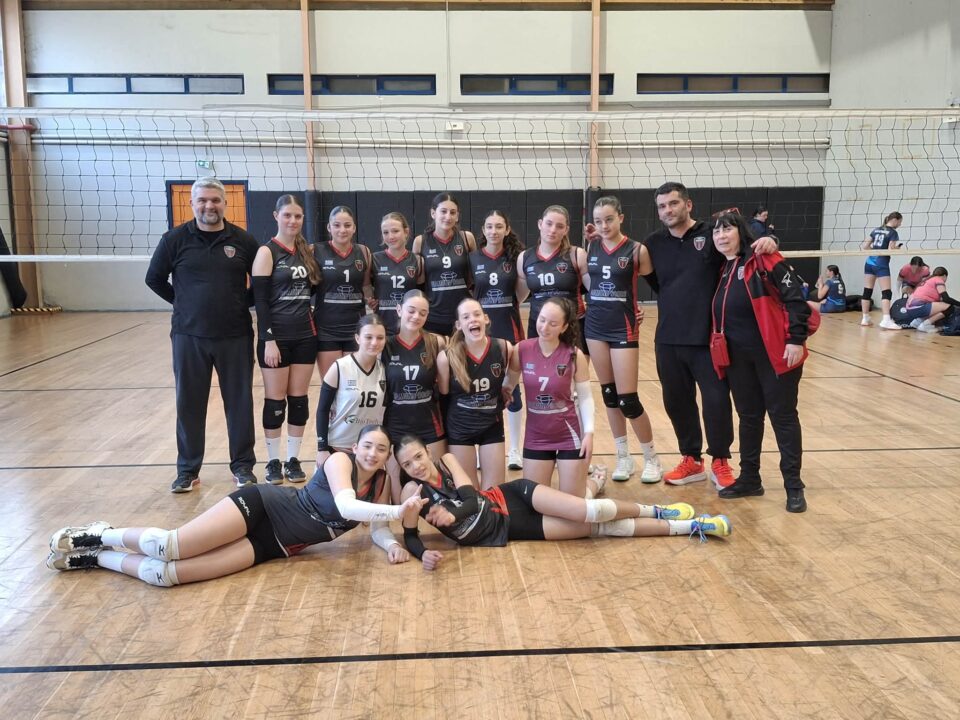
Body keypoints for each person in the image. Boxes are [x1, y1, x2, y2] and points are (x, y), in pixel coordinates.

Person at [46, 425, 429, 585]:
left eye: (381, 449)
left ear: (387, 457)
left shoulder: (380, 483)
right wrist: (399, 511)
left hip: (274, 545)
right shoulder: (340, 461)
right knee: (168, 546)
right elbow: (346, 507)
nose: (373, 453)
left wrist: (391, 544)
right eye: (368, 445)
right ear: (356, 446)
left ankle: (96, 557)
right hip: (263, 506)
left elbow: (377, 527)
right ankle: (101, 533)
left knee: (165, 576)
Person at [393, 436, 729, 570]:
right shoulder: (413, 493)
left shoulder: (448, 460)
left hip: (512, 496)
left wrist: (451, 517)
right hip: (511, 528)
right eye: (407, 464)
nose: (416, 466)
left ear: (428, 452)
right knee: (599, 529)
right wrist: (423, 555)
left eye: (418, 457)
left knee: (588, 510)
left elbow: (470, 499)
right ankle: (690, 526)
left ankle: (656, 510)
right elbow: (409, 535)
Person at [643, 183, 778, 491]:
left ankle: (720, 460)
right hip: (668, 338)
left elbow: (746, 247)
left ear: (688, 204)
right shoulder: (653, 243)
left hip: (709, 338)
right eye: (662, 206)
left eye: (673, 203)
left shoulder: (712, 233)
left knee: (716, 401)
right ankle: (691, 459)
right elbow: (657, 283)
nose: (668, 210)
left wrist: (771, 239)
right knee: (677, 402)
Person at [145, 177, 259, 493]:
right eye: (203, 200)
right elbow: (154, 279)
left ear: (225, 203)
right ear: (192, 203)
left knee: (239, 403)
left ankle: (243, 467)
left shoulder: (244, 241)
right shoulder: (174, 239)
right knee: (189, 404)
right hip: (189, 336)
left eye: (215, 200)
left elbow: (261, 282)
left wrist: (241, 303)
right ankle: (187, 470)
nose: (209, 206)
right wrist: (182, 303)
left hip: (235, 335)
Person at [709, 211, 810, 513]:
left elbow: (795, 299)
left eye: (727, 229)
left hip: (775, 354)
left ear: (741, 232)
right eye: (716, 232)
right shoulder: (724, 267)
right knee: (749, 417)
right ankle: (750, 478)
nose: (721, 236)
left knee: (783, 417)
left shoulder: (765, 258)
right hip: (739, 358)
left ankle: (794, 486)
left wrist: (795, 339)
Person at [583, 196, 662, 483]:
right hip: (595, 327)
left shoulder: (637, 250)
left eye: (609, 219)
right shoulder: (590, 246)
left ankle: (652, 459)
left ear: (621, 218)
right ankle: (623, 458)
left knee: (628, 399)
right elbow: (587, 283)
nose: (604, 226)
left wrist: (639, 308)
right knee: (609, 395)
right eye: (599, 221)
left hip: (623, 328)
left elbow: (658, 284)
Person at [251, 195, 320, 485]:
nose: (293, 221)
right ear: (276, 216)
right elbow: (260, 301)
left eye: (298, 216)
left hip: (305, 336)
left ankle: (293, 459)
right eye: (287, 215)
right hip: (276, 338)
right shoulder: (267, 252)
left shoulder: (307, 252)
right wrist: (268, 339)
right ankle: (272, 461)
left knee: (299, 400)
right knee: (275, 401)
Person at [507, 298, 594, 497]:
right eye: (542, 320)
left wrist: (589, 433)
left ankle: (594, 484)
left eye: (553, 324)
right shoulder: (521, 349)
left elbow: (586, 397)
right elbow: (508, 386)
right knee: (535, 502)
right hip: (536, 436)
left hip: (568, 435)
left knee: (572, 504)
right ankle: (591, 485)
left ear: (564, 327)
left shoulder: (574, 355)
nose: (544, 327)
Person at [437, 297, 519, 490]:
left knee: (494, 492)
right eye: (466, 317)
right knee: (469, 492)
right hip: (459, 428)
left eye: (476, 314)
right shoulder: (447, 357)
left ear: (486, 319)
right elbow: (443, 396)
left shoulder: (504, 348)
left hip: (491, 425)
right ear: (459, 325)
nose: (472, 319)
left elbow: (514, 371)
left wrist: (507, 388)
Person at [471, 209, 525, 469]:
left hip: (510, 328)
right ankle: (480, 448)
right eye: (490, 226)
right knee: (480, 389)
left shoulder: (516, 257)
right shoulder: (473, 258)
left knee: (512, 388)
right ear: (483, 230)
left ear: (507, 229)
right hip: (481, 333)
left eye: (499, 226)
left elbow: (521, 294)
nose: (494, 231)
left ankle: (514, 449)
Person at [382, 290, 447, 502]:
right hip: (395, 423)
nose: (416, 316)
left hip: (429, 422)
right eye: (411, 310)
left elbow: (447, 386)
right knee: (395, 484)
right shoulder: (385, 345)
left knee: (437, 480)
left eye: (422, 313)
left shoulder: (436, 343)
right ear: (399, 310)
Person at [315, 315, 388, 468]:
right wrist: (322, 448)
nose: (374, 342)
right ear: (357, 338)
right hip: (339, 447)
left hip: (369, 451)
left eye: (380, 338)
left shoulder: (384, 370)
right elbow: (322, 410)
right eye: (368, 337)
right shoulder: (340, 367)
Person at [517, 205, 589, 354]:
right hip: (539, 325)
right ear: (540, 224)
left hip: (571, 324)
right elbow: (518, 297)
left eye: (559, 226)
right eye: (549, 223)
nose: (553, 230)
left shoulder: (577, 254)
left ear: (566, 230)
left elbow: (596, 290)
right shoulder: (524, 257)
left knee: (573, 367)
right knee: (537, 367)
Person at [314, 205, 373, 378]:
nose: (342, 230)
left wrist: (372, 299)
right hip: (326, 329)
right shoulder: (315, 250)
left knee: (353, 385)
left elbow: (366, 286)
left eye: (347, 225)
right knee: (331, 384)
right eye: (337, 225)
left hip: (356, 328)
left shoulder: (363, 251)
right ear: (329, 227)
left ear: (354, 227)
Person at [412, 192, 477, 335]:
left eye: (452, 212)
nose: (448, 217)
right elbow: (418, 282)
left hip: (463, 315)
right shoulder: (420, 242)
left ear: (457, 216)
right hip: (433, 316)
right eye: (443, 211)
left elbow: (474, 276)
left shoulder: (467, 238)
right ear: (433, 213)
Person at [371, 212, 423, 336]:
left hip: (410, 326)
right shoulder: (373, 259)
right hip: (382, 327)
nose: (391, 236)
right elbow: (366, 287)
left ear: (406, 232)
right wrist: (369, 300)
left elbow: (422, 292)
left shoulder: (417, 260)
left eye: (395, 231)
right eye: (385, 232)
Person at [860, 211, 904, 330]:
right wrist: (897, 249)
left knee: (867, 291)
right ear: (895, 220)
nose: (900, 225)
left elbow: (865, 246)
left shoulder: (875, 230)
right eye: (900, 222)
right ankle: (886, 320)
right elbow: (890, 249)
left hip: (869, 262)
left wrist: (875, 251)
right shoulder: (893, 232)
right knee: (886, 292)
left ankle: (865, 318)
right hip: (881, 264)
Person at [895, 267, 960, 332]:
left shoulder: (927, 280)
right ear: (944, 276)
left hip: (909, 309)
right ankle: (925, 324)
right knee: (950, 308)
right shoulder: (939, 280)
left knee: (938, 306)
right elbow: (946, 299)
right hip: (918, 307)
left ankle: (918, 322)